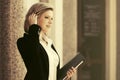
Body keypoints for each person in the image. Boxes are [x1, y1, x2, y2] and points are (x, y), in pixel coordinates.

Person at [17, 2, 76, 80]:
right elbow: (35, 62)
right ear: (34, 18)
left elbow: (52, 74)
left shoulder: (49, 43)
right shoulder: (24, 41)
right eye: (47, 17)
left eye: (52, 18)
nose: (50, 21)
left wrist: (67, 77)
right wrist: (33, 28)